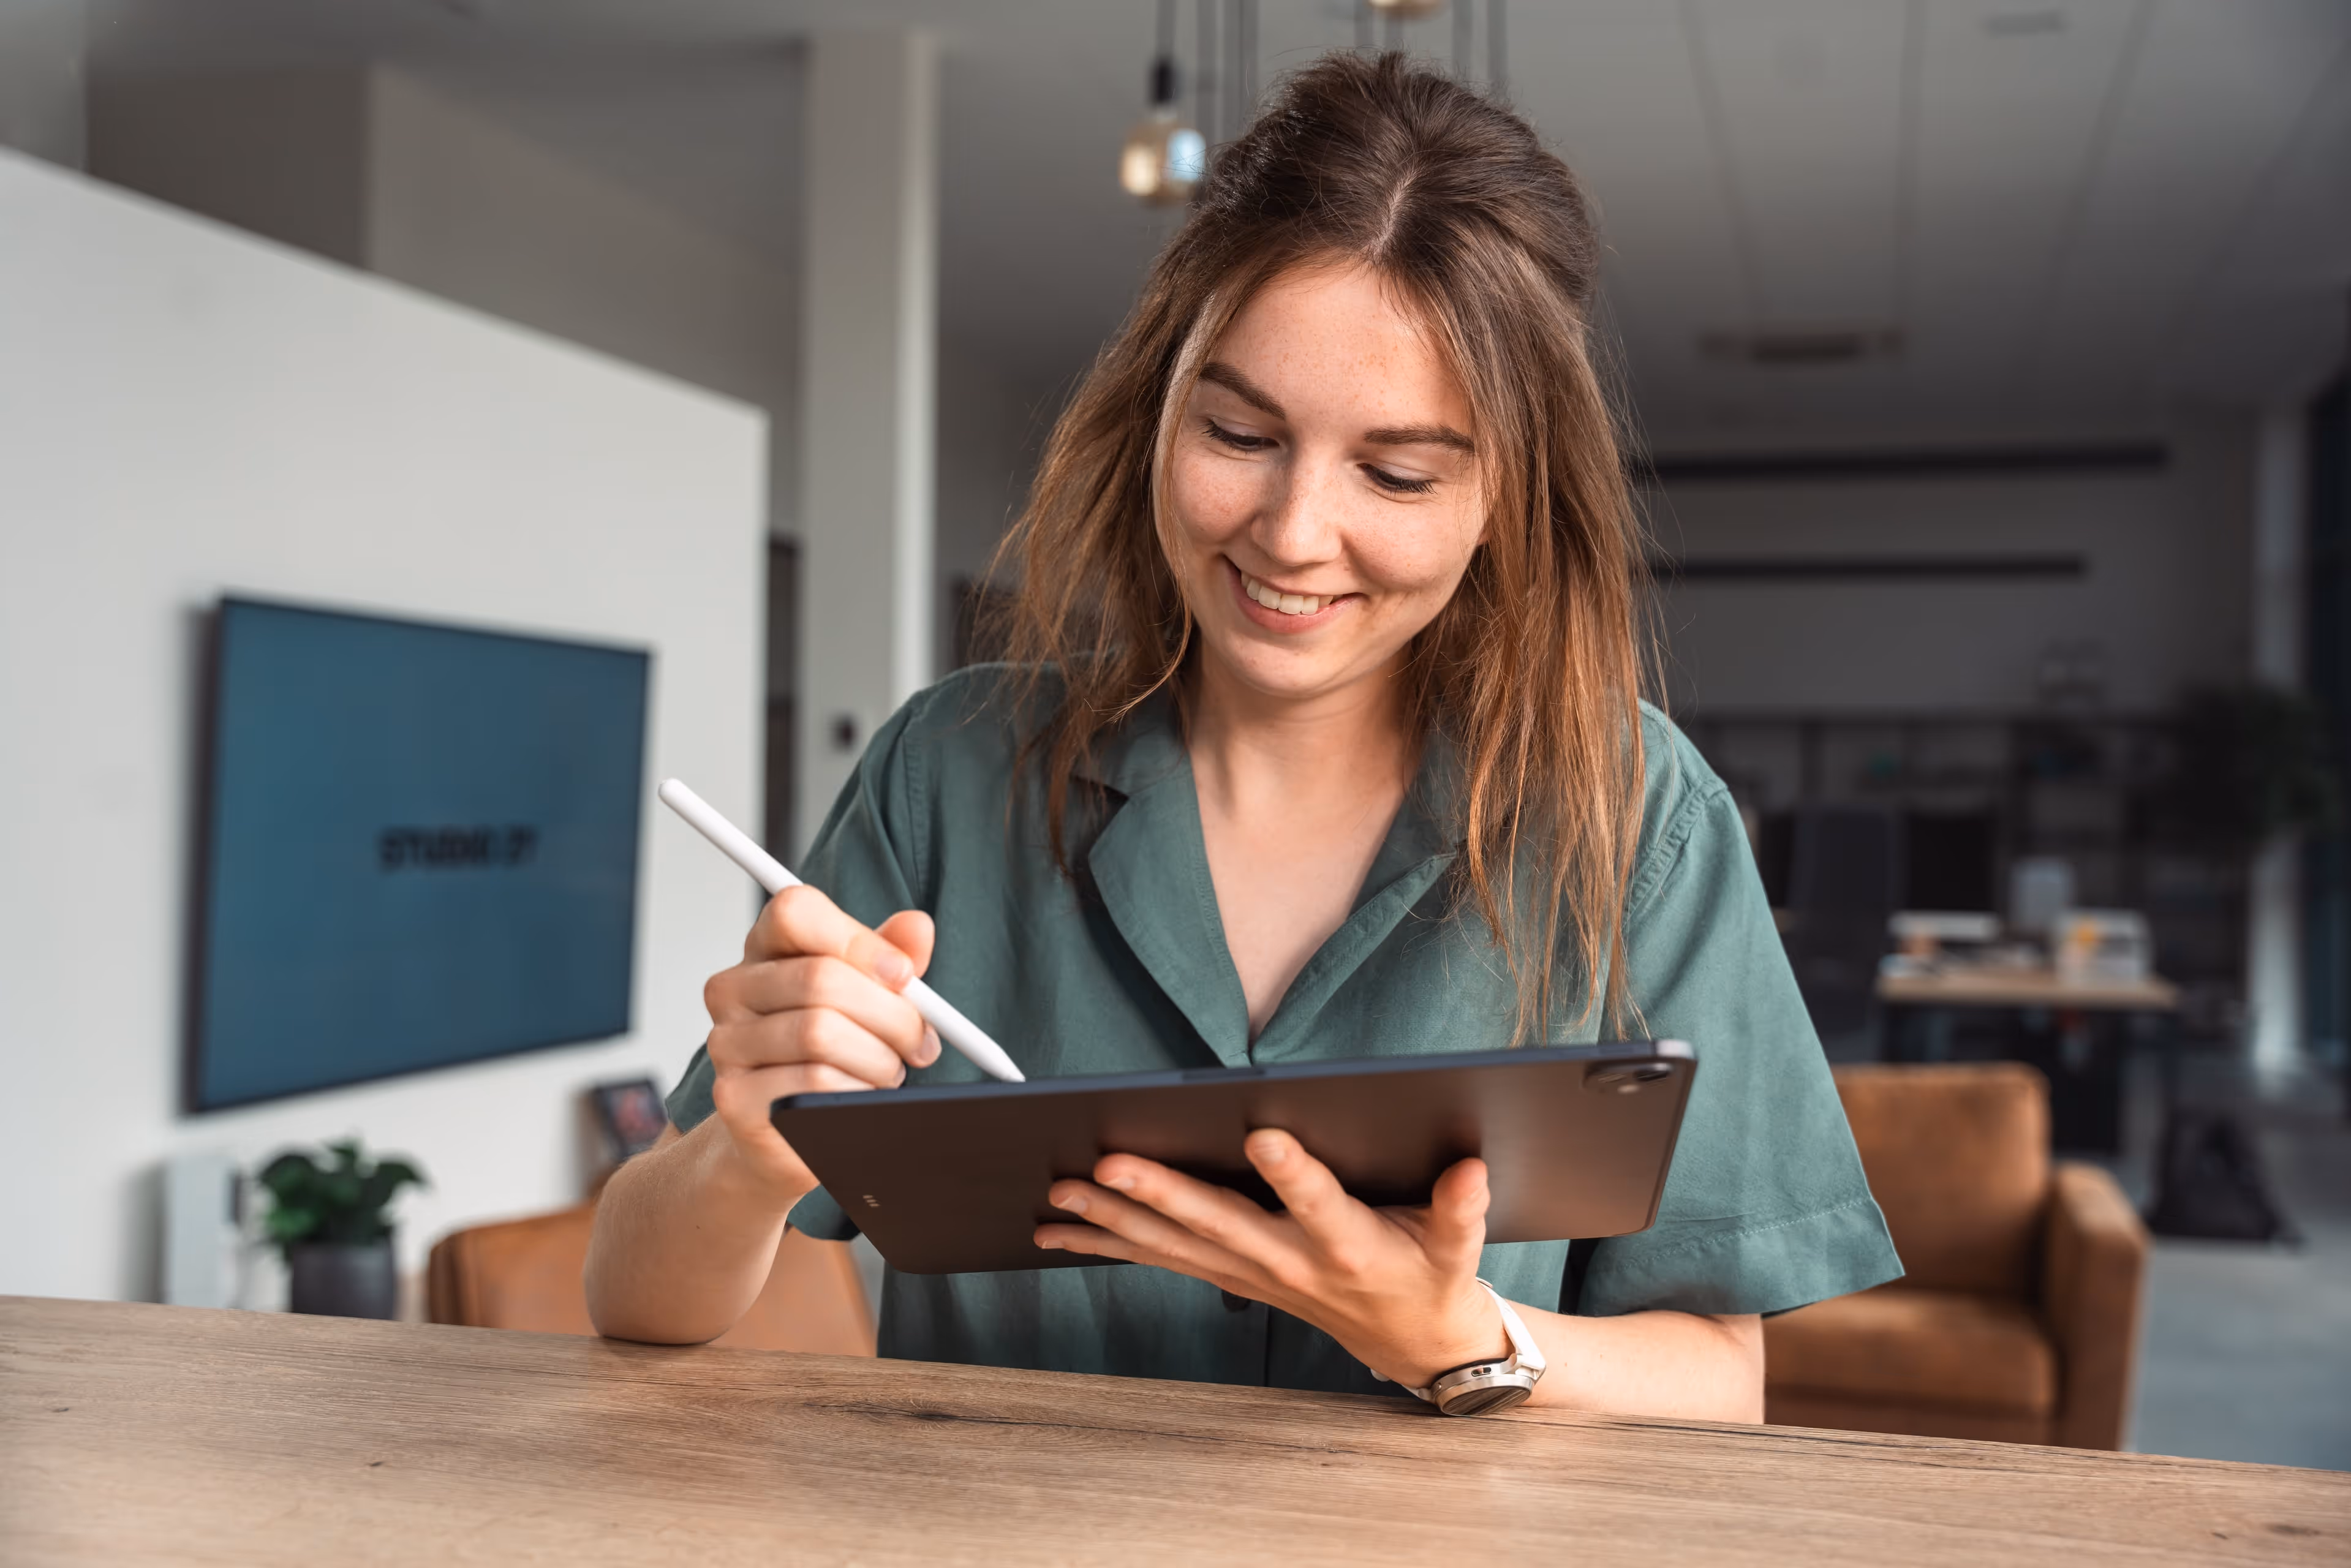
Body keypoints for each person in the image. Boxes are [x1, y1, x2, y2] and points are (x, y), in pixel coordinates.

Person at [586, 51, 1900, 1420]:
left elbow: (1720, 1386)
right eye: (1236, 430)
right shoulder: (952, 773)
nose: (1290, 533)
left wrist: (1461, 1330)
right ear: (1159, 404)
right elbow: (636, 1299)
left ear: (1505, 495)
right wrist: (745, 1148)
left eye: (1394, 471)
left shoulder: (1634, 814)